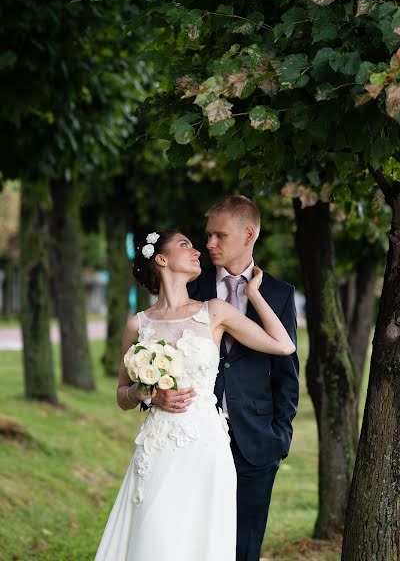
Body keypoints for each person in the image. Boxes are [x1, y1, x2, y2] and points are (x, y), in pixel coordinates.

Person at [94, 229, 296, 561]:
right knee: (154, 533)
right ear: (161, 259)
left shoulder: (214, 311)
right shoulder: (137, 325)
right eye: (185, 245)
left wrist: (254, 293)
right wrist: (146, 394)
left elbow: (283, 345)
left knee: (200, 538)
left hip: (206, 446)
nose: (198, 251)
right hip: (158, 446)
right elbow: (121, 394)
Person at [152, 196, 299, 561]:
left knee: (244, 547)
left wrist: (279, 434)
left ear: (248, 235)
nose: (209, 244)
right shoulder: (190, 289)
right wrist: (152, 396)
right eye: (208, 236)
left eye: (219, 236)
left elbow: (287, 372)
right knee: (193, 541)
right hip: (194, 441)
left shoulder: (279, 294)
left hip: (256, 439)